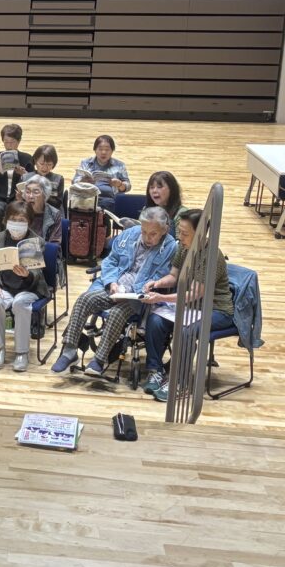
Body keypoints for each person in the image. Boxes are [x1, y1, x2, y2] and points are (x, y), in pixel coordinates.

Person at [51, 207, 176, 376]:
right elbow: (110, 260)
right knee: (84, 299)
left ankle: (99, 360)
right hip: (115, 288)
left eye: (153, 234)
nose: (147, 237)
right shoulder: (130, 234)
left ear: (164, 230)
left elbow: (160, 276)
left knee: (117, 313)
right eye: (144, 231)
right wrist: (112, 283)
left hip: (137, 298)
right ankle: (69, 350)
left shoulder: (170, 247)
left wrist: (132, 292)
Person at [140, 208, 234, 399]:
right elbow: (173, 276)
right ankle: (155, 370)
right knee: (155, 320)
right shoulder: (183, 249)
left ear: (200, 234)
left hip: (216, 310)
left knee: (187, 331)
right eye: (179, 232)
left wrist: (161, 298)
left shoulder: (211, 256)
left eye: (184, 233)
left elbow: (193, 294)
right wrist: (156, 284)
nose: (180, 237)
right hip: (192, 307)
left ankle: (180, 383)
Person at [0, 201, 48, 372]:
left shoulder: (36, 241)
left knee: (20, 303)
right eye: (13, 219)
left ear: (29, 222)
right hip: (5, 287)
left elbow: (38, 273)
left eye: (22, 220)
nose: (17, 224)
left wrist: (27, 275)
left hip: (30, 289)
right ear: (6, 220)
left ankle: (22, 353)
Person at [0, 124, 34, 234]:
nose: (9, 145)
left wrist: (24, 174)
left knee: (17, 209)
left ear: (19, 141)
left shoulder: (27, 158)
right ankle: (3, 236)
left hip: (17, 198)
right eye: (6, 142)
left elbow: (33, 182)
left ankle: (12, 235)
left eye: (12, 142)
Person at [74, 134, 130, 212]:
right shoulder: (86, 163)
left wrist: (120, 184)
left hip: (110, 200)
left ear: (112, 151)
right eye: (100, 149)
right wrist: (82, 181)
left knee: (106, 204)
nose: (103, 152)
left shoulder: (119, 165)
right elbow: (74, 182)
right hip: (88, 198)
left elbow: (128, 186)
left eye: (107, 149)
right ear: (95, 150)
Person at [21, 174, 62, 244]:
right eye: (27, 192)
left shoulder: (54, 214)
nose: (30, 196)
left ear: (45, 195)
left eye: (35, 192)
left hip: (44, 250)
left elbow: (55, 244)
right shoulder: (19, 211)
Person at [145, 171, 186, 236]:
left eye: (159, 187)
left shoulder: (182, 213)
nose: (154, 191)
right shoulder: (146, 210)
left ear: (171, 189)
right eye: (152, 187)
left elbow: (181, 241)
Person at [32, 144, 64, 211]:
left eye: (49, 164)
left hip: (50, 213)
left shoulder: (58, 179)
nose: (45, 168)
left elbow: (58, 204)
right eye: (41, 164)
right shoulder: (26, 177)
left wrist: (43, 194)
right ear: (35, 161)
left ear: (53, 164)